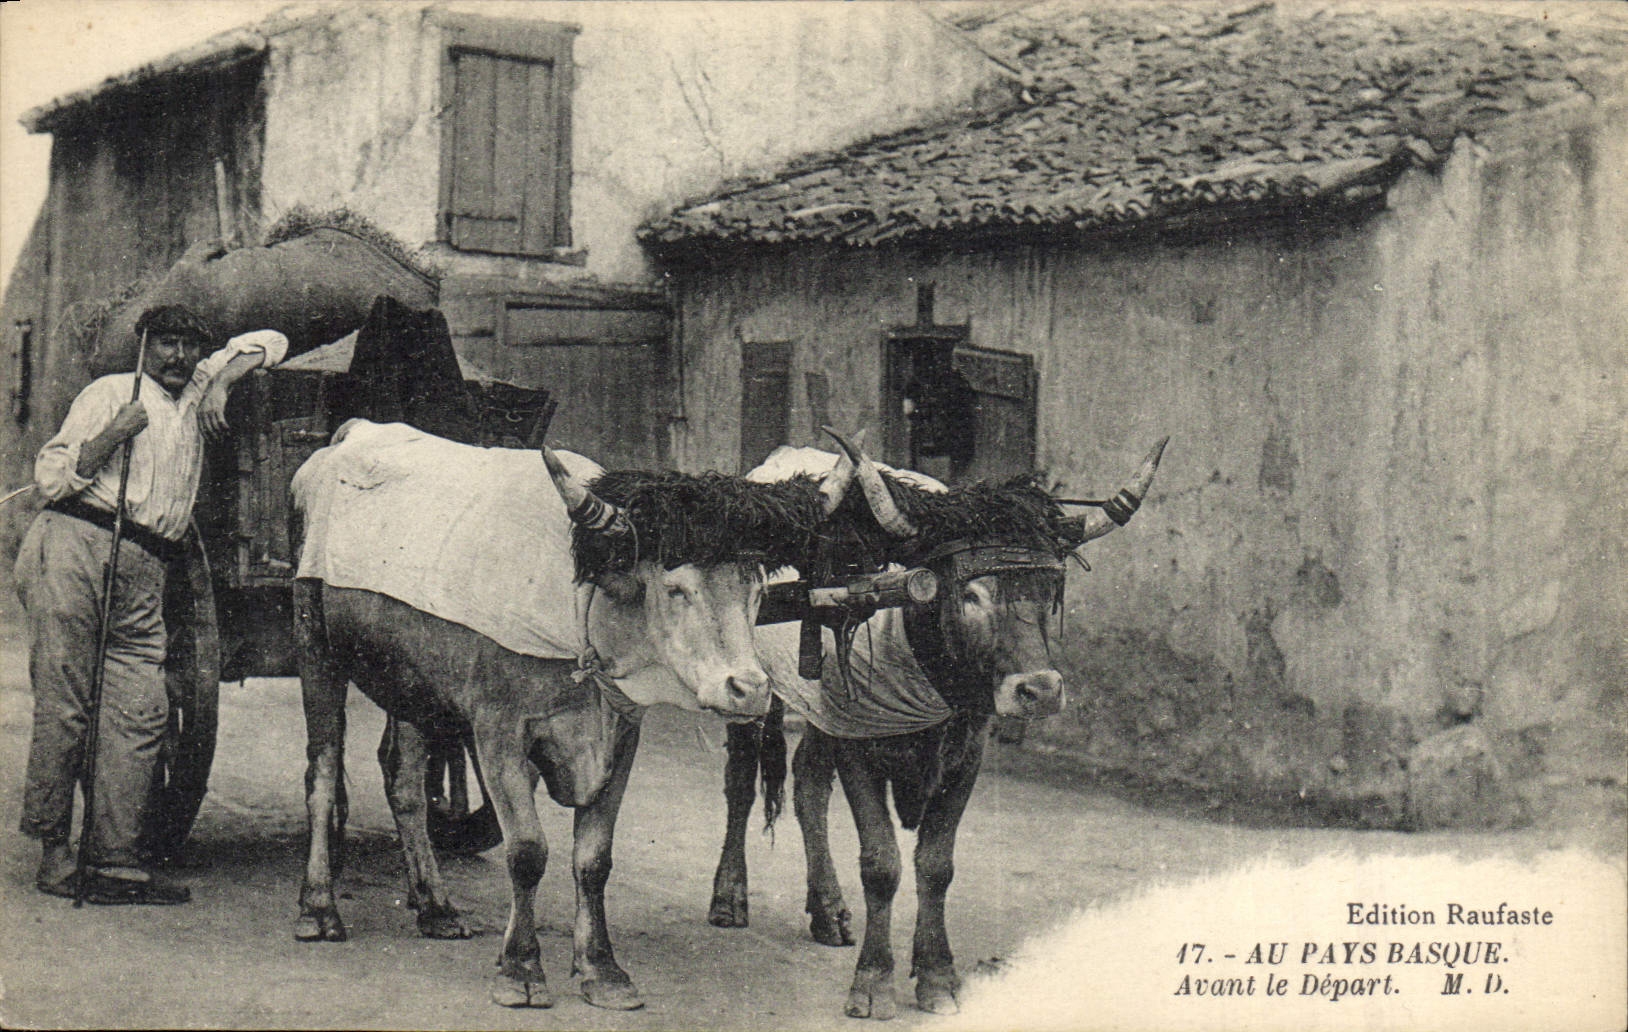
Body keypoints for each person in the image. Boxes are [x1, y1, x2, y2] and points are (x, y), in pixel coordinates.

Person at [14, 304, 286, 905]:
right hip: (77, 544)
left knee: (141, 711)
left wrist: (223, 381)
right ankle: (55, 855)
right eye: (165, 343)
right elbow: (51, 478)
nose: (177, 357)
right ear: (143, 346)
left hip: (147, 566)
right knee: (67, 706)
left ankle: (114, 857)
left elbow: (272, 338)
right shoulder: (111, 391)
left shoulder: (193, 394)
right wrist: (113, 434)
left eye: (189, 347)